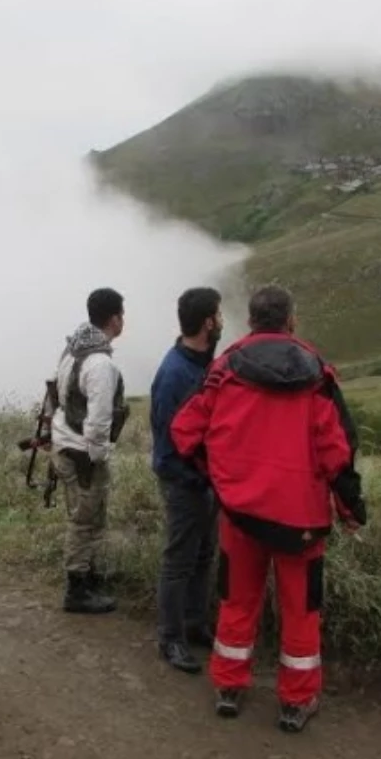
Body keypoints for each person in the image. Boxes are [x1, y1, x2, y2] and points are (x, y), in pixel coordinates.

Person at [170, 284, 365, 733]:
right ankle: (295, 703)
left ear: (252, 321)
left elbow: (185, 433)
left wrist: (220, 477)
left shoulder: (224, 370)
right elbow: (338, 453)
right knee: (301, 611)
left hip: (240, 516)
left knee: (237, 602)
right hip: (302, 521)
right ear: (290, 320)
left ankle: (228, 688)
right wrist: (351, 509)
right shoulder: (317, 374)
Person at [149, 287, 223, 674]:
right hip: (183, 483)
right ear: (208, 322)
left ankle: (195, 625)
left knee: (203, 555)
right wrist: (194, 477)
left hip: (206, 481)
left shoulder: (204, 364)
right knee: (178, 561)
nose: (223, 322)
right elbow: (166, 441)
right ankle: (170, 638)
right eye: (219, 315)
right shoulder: (175, 373)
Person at [49, 287, 130, 614]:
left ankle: (90, 576)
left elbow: (56, 391)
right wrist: (98, 457)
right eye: (122, 315)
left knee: (87, 516)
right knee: (85, 519)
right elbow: (98, 421)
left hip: (66, 443)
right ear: (114, 318)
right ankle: (78, 589)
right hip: (83, 453)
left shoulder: (74, 347)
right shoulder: (100, 364)